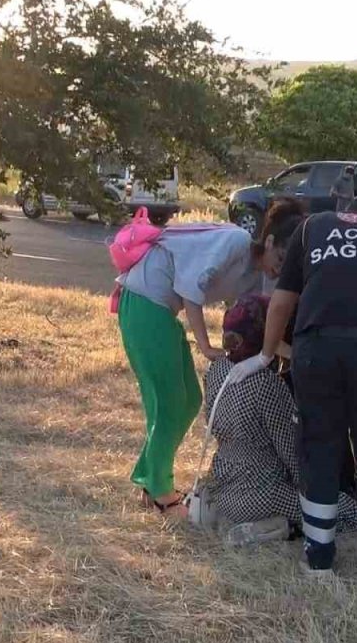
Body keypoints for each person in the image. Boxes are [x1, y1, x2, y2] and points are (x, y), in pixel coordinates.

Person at [229, 195, 357, 575]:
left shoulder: (311, 228)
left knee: (319, 448)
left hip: (316, 351)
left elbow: (282, 301)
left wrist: (266, 355)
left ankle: (318, 559)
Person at [116, 197, 305, 519]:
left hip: (160, 309)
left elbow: (244, 319)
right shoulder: (236, 241)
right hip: (145, 302)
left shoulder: (253, 277)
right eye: (281, 257)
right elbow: (191, 288)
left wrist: (283, 352)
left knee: (189, 400)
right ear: (269, 241)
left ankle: (150, 478)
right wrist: (205, 345)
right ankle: (160, 490)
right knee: (170, 403)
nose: (279, 268)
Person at [199, 295, 357, 545]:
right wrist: (314, 489)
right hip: (260, 493)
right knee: (348, 513)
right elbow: (291, 453)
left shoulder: (216, 371)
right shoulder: (267, 384)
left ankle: (274, 524)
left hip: (221, 486)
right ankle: (280, 528)